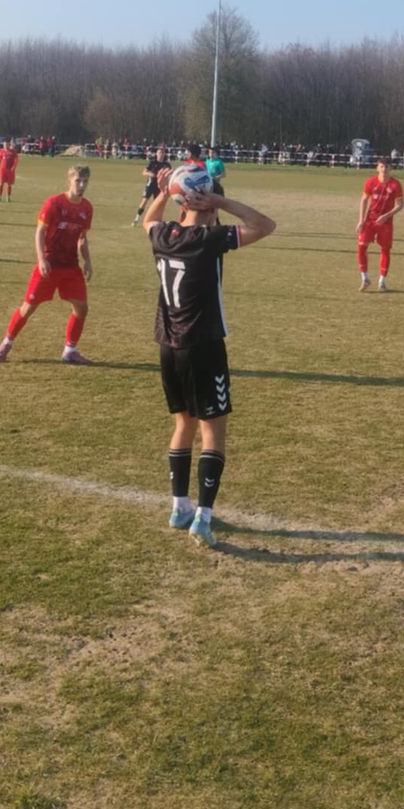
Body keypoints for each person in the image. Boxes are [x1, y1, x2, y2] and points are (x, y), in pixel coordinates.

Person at [144, 166, 276, 549]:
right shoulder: (210, 239)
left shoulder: (164, 235)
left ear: (181, 202)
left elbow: (149, 220)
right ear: (209, 204)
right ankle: (202, 517)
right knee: (213, 432)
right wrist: (221, 201)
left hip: (168, 345)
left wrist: (163, 192)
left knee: (183, 423)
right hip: (203, 345)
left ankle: (179, 506)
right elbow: (265, 225)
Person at [0, 165, 95, 364]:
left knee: (81, 308)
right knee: (28, 308)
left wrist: (88, 261)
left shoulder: (87, 208)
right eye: (78, 181)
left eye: (85, 181)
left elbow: (82, 238)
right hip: (49, 264)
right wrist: (41, 259)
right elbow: (40, 231)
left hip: (70, 266)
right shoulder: (54, 203)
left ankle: (70, 351)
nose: (81, 185)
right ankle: (6, 343)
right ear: (69, 181)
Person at [356, 156, 404, 291]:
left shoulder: (395, 185)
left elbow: (400, 205)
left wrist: (386, 216)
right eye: (382, 166)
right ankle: (365, 278)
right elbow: (364, 200)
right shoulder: (371, 182)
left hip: (386, 223)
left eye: (387, 167)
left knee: (385, 249)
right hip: (370, 220)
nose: (384, 169)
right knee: (361, 246)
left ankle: (382, 281)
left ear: (391, 168)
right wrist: (361, 220)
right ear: (377, 168)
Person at [132, 145, 171, 226]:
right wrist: (151, 174)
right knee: (144, 201)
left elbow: (170, 174)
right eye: (159, 152)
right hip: (150, 185)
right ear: (156, 154)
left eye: (162, 152)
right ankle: (137, 218)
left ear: (164, 154)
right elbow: (144, 172)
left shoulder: (167, 164)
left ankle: (156, 220)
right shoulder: (152, 163)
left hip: (160, 186)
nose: (161, 154)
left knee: (157, 204)